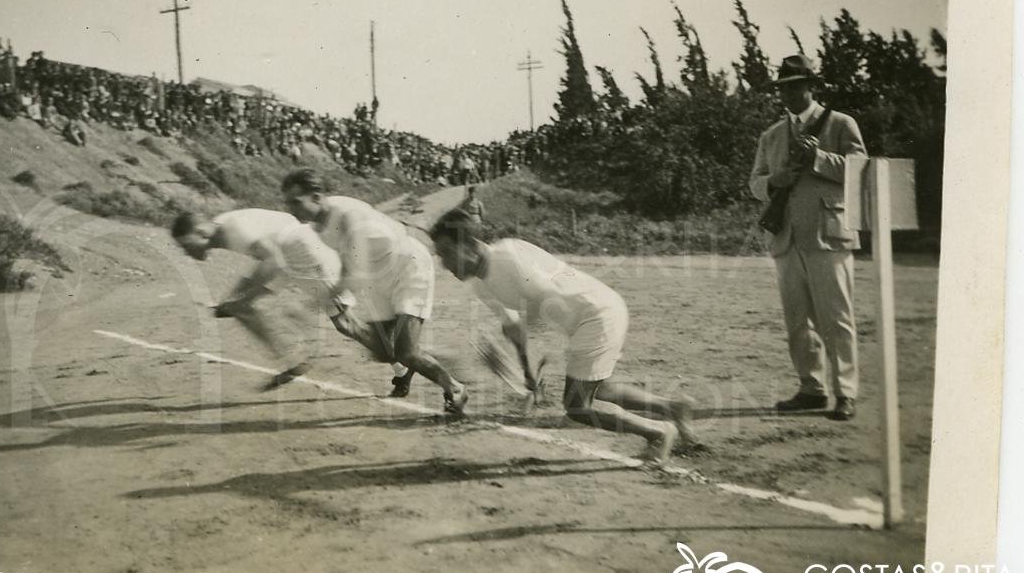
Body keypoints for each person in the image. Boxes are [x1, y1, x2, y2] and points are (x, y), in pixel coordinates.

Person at [428, 208, 697, 465]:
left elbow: (546, 297)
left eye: (448, 253)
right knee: (603, 389)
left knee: (577, 406)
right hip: (590, 319)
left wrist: (513, 332)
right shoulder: (481, 284)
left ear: (470, 245)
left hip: (597, 315)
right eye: (440, 256)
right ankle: (673, 408)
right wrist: (527, 374)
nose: (445, 264)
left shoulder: (506, 255)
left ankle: (659, 433)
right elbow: (514, 328)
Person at [280, 168, 469, 414]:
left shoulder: (347, 216)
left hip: (407, 267)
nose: (290, 209)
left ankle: (454, 388)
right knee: (382, 352)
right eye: (287, 203)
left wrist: (313, 305)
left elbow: (354, 274)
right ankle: (431, 357)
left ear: (316, 197)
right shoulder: (317, 225)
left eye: (295, 202)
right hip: (378, 278)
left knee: (406, 353)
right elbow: (349, 262)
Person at [748, 54, 867, 421]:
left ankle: (845, 392)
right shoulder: (770, 136)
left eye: (796, 86)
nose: (789, 94)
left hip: (828, 235)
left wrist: (819, 158)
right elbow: (754, 183)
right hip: (786, 238)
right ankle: (811, 388)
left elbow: (860, 171)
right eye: (783, 88)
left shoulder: (841, 124)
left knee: (837, 319)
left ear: (811, 86)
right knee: (798, 321)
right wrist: (773, 183)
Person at [171, 208, 410, 388]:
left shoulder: (232, 229)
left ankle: (404, 363)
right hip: (289, 255)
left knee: (346, 324)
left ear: (200, 232)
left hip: (305, 252)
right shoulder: (220, 227)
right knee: (241, 308)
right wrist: (233, 300)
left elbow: (273, 262)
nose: (185, 252)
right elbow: (267, 262)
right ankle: (293, 359)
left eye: (185, 245)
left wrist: (237, 298)